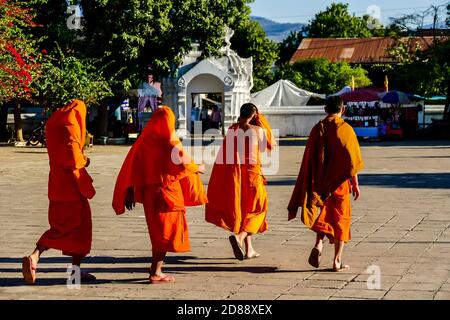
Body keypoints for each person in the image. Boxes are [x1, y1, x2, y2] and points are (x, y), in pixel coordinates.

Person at [112, 106, 207, 284]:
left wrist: (130, 191)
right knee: (165, 233)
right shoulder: (169, 140)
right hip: (167, 193)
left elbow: (133, 167)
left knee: (157, 231)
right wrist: (198, 168)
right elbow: (184, 163)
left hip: (149, 194)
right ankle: (156, 272)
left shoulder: (144, 140)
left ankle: (155, 266)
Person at [22, 99, 96, 285]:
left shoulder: (56, 123)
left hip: (56, 185)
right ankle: (40, 259)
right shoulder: (71, 126)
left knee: (59, 228)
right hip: (72, 187)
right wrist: (84, 161)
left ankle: (37, 257)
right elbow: (72, 157)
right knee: (81, 228)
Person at [287, 96, 364, 272]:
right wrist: (355, 184)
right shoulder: (345, 129)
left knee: (325, 214)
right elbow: (352, 161)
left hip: (321, 183)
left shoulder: (317, 128)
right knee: (341, 220)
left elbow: (310, 158)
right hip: (340, 184)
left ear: (325, 109)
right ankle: (337, 260)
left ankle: (319, 244)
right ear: (342, 110)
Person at [205, 103, 275, 260]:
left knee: (245, 211)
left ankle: (249, 249)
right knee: (259, 209)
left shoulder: (232, 130)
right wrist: (260, 120)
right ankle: (240, 237)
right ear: (254, 115)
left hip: (237, 176)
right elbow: (268, 145)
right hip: (252, 174)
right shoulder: (258, 131)